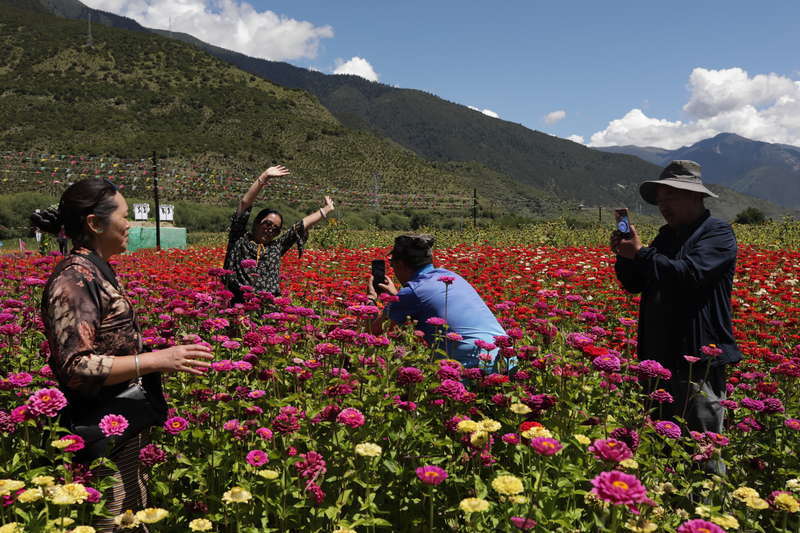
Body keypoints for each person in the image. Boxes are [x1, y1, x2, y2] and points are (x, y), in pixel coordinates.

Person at [32, 178, 214, 532]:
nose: (130, 224)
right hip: (99, 428)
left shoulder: (95, 270)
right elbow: (76, 366)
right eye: (124, 215)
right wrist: (158, 359)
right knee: (108, 518)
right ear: (95, 223)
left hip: (119, 423)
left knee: (129, 514)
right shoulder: (75, 280)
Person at [612, 160, 742, 443]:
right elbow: (635, 284)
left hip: (696, 360)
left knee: (699, 446)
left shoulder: (716, 234)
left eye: (670, 195)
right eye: (660, 199)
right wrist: (625, 257)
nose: (663, 205)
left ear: (695, 196)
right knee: (659, 444)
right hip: (658, 358)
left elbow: (689, 274)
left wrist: (642, 254)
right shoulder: (666, 237)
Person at [367, 233, 507, 369]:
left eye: (392, 263)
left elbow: (372, 332)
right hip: (506, 359)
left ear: (400, 264)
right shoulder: (452, 276)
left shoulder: (412, 293)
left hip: (472, 366)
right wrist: (397, 296)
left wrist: (371, 299)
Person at [223, 165, 335, 303]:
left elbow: (301, 225)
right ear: (257, 222)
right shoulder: (239, 239)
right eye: (267, 224)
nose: (270, 229)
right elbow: (245, 204)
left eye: (276, 229)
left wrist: (326, 210)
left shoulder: (276, 247)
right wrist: (264, 176)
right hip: (237, 308)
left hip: (267, 311)